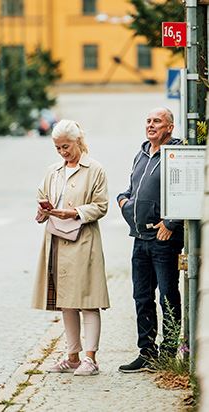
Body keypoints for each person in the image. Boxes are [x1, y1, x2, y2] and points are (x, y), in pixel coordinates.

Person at [33, 119, 110, 376]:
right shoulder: (53, 171)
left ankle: (91, 358)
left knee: (88, 299)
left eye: (66, 146)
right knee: (66, 302)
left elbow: (101, 205)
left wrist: (75, 212)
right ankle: (72, 356)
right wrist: (43, 211)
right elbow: (42, 196)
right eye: (58, 148)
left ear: (77, 142)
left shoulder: (95, 169)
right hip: (57, 240)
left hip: (83, 240)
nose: (63, 152)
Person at [117, 107, 184, 373]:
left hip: (163, 239)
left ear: (170, 127)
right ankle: (147, 352)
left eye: (157, 121)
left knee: (167, 295)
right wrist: (122, 201)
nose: (151, 125)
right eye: (148, 120)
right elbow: (131, 189)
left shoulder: (176, 153)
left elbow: (185, 190)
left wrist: (170, 222)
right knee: (141, 296)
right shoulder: (142, 152)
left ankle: (168, 353)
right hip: (140, 237)